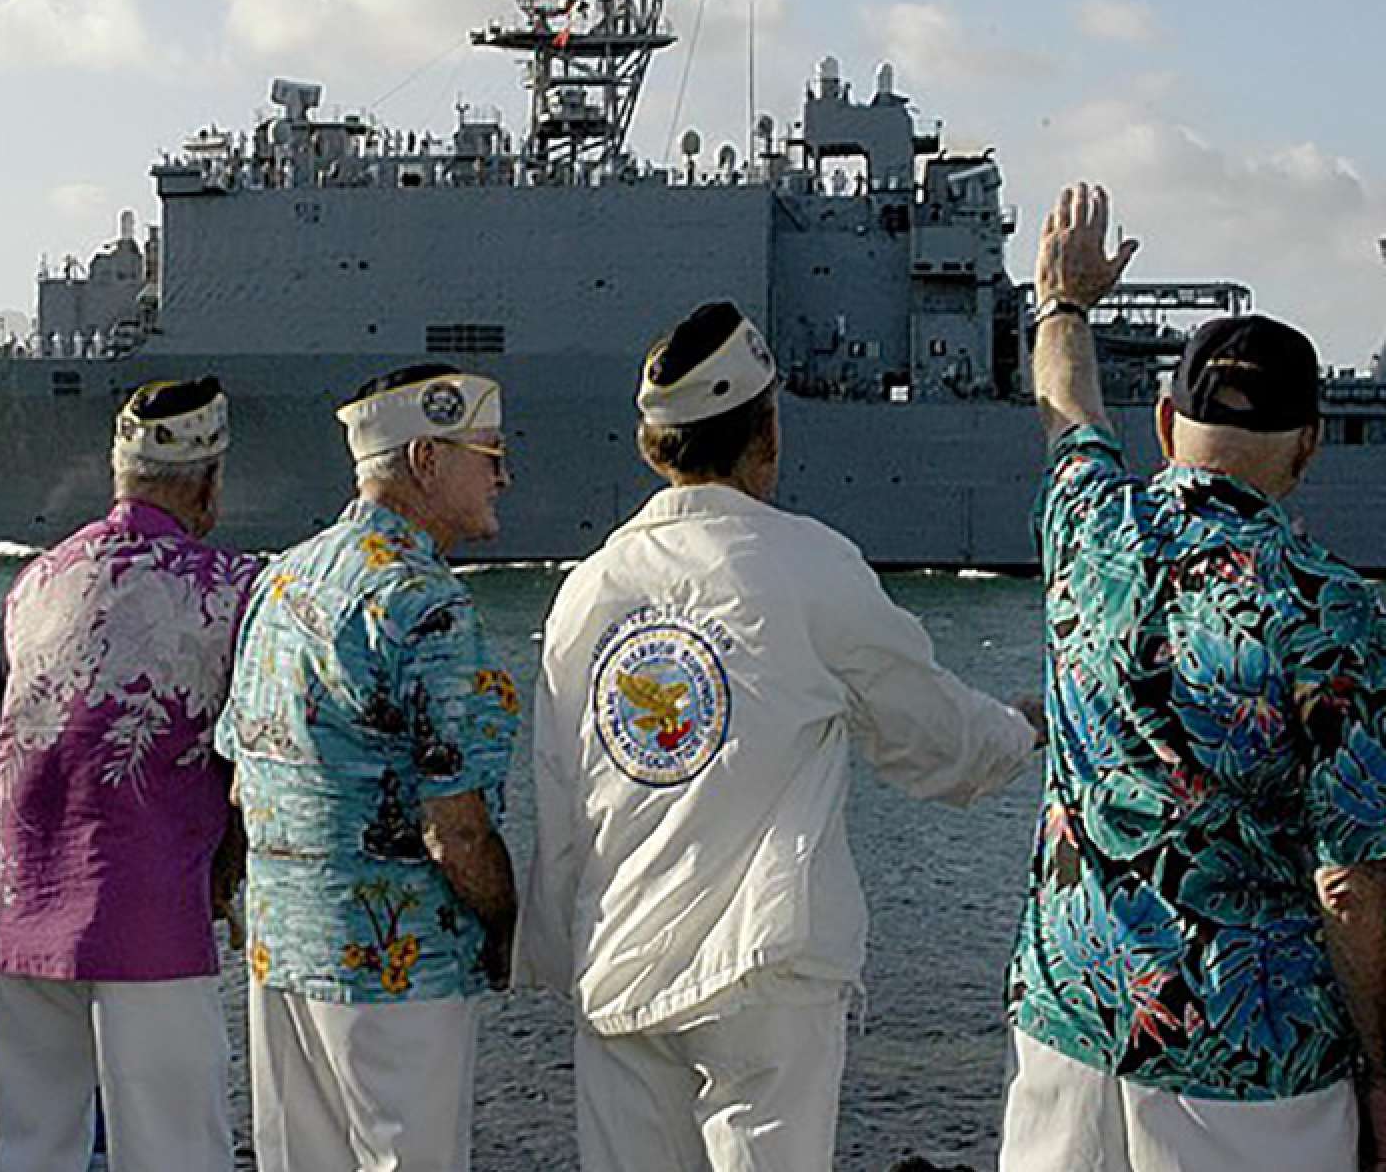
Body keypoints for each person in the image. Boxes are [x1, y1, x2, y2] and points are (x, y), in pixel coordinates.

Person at [517, 302, 1040, 1172]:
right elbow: (929, 729)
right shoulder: (811, 564)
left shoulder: (587, 588)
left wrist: (558, 956)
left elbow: (559, 791)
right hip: (764, 974)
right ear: (767, 435)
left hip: (620, 968)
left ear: (655, 446)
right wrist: (1017, 733)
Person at [999, 183, 1386, 1171]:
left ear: (1167, 421)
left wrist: (1064, 300)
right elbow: (1352, 887)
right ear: (1307, 446)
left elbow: (1071, 414)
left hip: (1070, 1024)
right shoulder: (1338, 611)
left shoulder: (1089, 531)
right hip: (1251, 1064)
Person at [217, 363, 521, 1172]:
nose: (503, 472)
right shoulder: (427, 604)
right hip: (400, 969)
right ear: (426, 460)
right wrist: (505, 924)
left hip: (283, 958)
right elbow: (455, 831)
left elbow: (243, 775)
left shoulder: (280, 579)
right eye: (485, 451)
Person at [0, 377, 260, 1171]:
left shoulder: (33, 582)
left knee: (29, 1151)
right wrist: (229, 873)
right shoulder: (233, 591)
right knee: (175, 1150)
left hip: (15, 910)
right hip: (149, 912)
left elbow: (7, 727)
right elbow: (250, 756)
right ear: (209, 481)